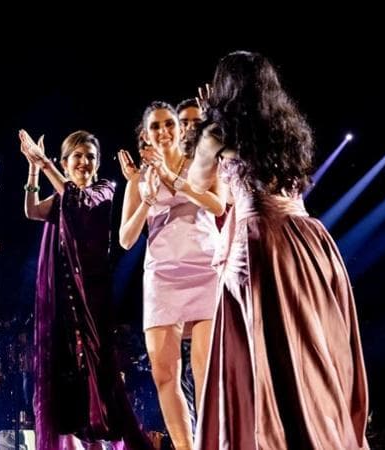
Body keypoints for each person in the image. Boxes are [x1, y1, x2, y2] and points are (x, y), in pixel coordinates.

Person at [188, 50, 369, 449]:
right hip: (308, 241)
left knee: (264, 349)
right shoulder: (287, 128)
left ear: (224, 87)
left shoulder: (219, 131)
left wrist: (205, 124)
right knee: (310, 346)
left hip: (260, 244)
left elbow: (197, 181)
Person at [20, 129, 153, 450]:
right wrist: (34, 169)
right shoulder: (62, 197)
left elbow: (78, 202)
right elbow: (33, 211)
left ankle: (108, 438)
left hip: (92, 299)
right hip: (62, 300)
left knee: (98, 369)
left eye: (90, 157)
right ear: (66, 162)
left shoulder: (103, 191)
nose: (84, 162)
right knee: (66, 372)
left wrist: (46, 165)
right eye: (77, 156)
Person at [117, 101, 224, 450]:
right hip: (162, 277)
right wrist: (147, 200)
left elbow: (218, 205)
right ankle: (184, 446)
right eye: (155, 127)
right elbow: (126, 239)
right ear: (145, 136)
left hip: (205, 270)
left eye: (169, 124)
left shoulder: (203, 164)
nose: (163, 131)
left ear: (180, 128)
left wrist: (175, 179)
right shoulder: (139, 180)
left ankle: (212, 442)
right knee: (164, 374)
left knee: (205, 370)